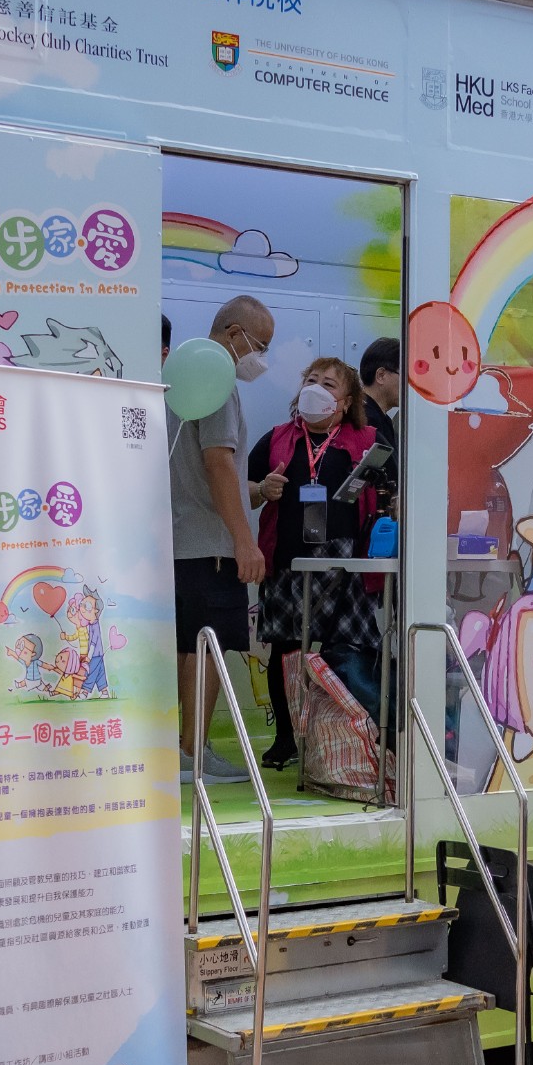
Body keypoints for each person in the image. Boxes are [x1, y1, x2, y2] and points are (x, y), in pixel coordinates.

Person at [247, 357, 383, 769]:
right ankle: (286, 738)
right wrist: (262, 489)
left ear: (347, 401)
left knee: (346, 648)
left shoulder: (368, 440)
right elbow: (243, 489)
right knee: (286, 649)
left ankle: (345, 736)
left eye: (328, 384)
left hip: (347, 564)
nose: (316, 389)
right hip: (289, 559)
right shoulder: (277, 438)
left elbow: (392, 493)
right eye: (311, 380)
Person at [170, 296, 272, 783]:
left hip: (176, 542)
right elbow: (217, 462)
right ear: (234, 334)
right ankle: (194, 749)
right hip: (211, 544)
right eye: (260, 344)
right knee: (207, 647)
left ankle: (182, 746)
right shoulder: (218, 381)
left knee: (185, 644)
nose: (262, 357)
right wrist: (244, 540)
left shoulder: (177, 377)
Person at [358, 336, 401, 451]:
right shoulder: (364, 420)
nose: (409, 386)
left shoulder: (379, 416)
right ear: (381, 375)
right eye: (406, 377)